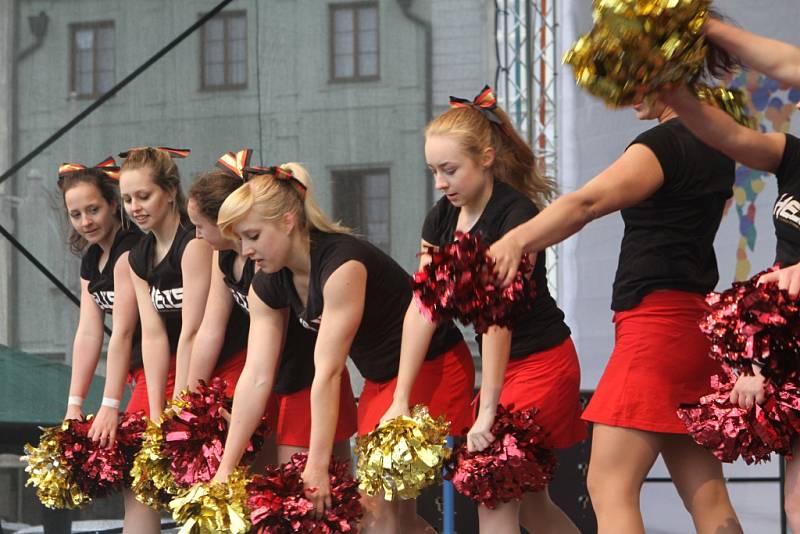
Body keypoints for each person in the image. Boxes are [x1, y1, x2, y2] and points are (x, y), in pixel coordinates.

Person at [213, 163, 472, 533]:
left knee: (377, 512)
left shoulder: (341, 265)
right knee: (388, 516)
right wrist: (225, 468)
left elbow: (330, 371)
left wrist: (316, 463)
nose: (246, 250)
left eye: (252, 236)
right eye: (239, 240)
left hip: (431, 366)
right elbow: (255, 376)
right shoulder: (268, 283)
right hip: (380, 379)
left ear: (288, 221)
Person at [380, 86, 584, 534]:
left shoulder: (516, 214)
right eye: (433, 171)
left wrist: (488, 410)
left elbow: (498, 319)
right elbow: (423, 307)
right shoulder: (440, 219)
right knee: (532, 504)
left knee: (494, 489)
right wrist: (400, 397)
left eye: (449, 170)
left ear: (486, 158)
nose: (439, 182)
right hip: (505, 368)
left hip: (541, 364)